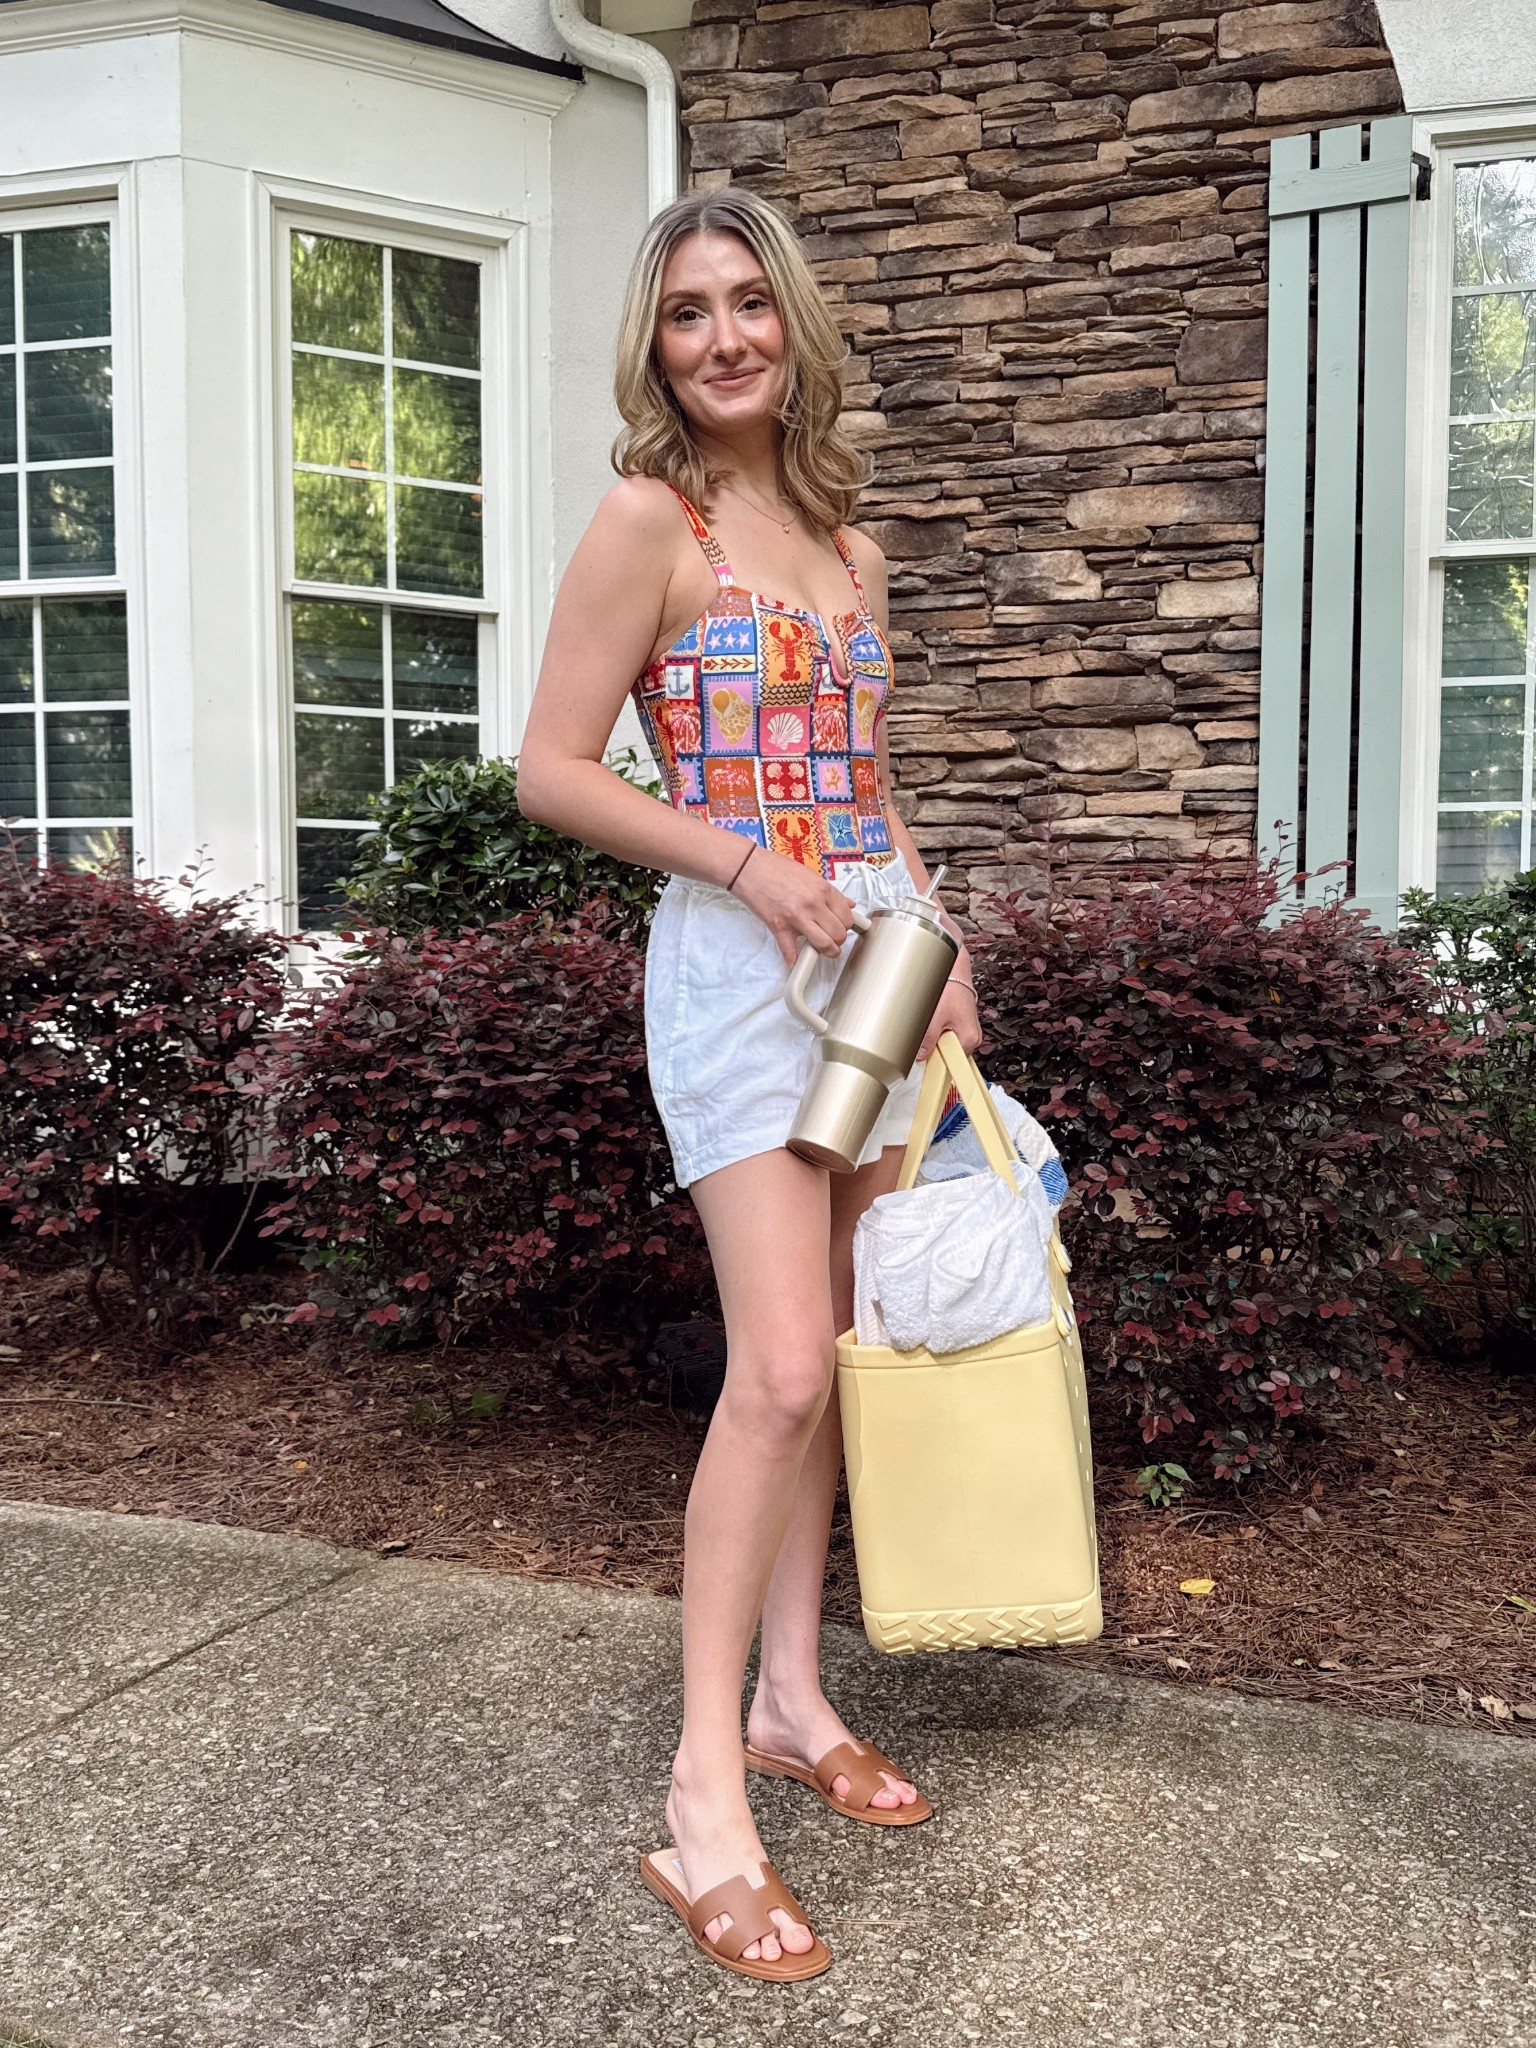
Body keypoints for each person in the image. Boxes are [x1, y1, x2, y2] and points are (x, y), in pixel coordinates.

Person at [515, 187, 983, 1983]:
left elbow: (869, 788)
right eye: (687, 313)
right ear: (656, 343)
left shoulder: (853, 544)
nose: (722, 339)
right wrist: (732, 861)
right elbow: (551, 770)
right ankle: (706, 1792)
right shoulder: (654, 520)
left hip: (874, 965)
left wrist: (941, 954)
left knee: (841, 1366)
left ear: (794, 325)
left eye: (748, 307)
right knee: (776, 1369)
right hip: (733, 972)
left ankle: (796, 1698)